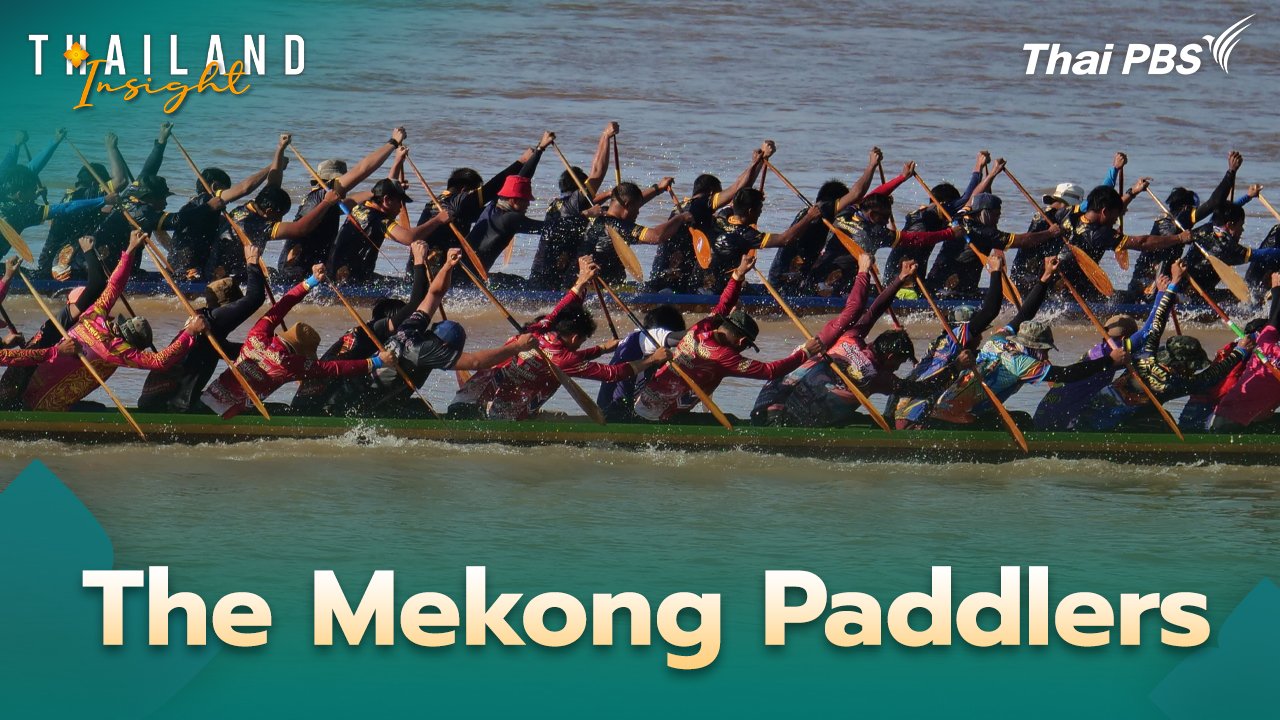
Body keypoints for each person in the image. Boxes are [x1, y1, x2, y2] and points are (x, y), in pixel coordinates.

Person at [323, 249, 537, 417]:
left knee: (417, 407)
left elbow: (434, 294)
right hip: (351, 406)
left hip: (345, 392)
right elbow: (475, 362)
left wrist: (448, 265)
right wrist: (517, 347)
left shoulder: (410, 328)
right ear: (445, 346)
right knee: (421, 411)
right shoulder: (427, 350)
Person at [449, 256, 668, 420]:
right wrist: (653, 359)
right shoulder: (564, 359)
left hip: (463, 401)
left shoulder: (539, 329)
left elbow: (563, 309)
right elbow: (614, 374)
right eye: (582, 341)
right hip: (496, 418)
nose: (581, 345)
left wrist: (582, 281)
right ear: (574, 338)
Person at [926, 257, 1129, 428]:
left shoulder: (999, 338)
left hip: (942, 406)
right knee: (1023, 422)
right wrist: (1109, 361)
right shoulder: (1021, 363)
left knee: (1017, 418)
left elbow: (1024, 313)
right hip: (955, 418)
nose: (1046, 357)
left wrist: (1046, 277)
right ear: (1035, 348)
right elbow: (1067, 374)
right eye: (1044, 352)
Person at [754, 259, 954, 427]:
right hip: (788, 423)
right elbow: (922, 389)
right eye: (898, 363)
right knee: (870, 423)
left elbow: (874, 311)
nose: (896, 369)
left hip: (766, 400)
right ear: (890, 357)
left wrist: (898, 279)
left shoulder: (850, 337)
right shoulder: (879, 377)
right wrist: (957, 366)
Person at [23, 230, 208, 411]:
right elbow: (160, 361)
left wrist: (130, 249)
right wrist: (190, 332)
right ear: (130, 343)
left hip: (28, 390)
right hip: (48, 408)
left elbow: (115, 285)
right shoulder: (115, 349)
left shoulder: (92, 315)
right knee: (100, 411)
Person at [632, 254, 822, 422]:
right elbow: (770, 371)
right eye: (746, 346)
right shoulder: (724, 357)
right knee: (731, 420)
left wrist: (738, 275)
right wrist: (805, 352)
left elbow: (723, 305)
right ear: (741, 342)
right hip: (661, 416)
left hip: (642, 401)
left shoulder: (702, 327)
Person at [199, 262, 395, 419]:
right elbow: (335, 368)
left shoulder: (256, 335)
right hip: (229, 414)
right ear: (301, 352)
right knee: (287, 412)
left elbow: (282, 306)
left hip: (206, 398)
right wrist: (377, 362)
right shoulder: (292, 365)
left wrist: (310, 281)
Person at [292, 240, 433, 413]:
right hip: (323, 405)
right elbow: (415, 305)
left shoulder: (361, 331)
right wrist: (418, 261)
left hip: (304, 401)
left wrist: (425, 268)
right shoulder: (378, 329)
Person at [137, 243, 268, 412]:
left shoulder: (203, 324)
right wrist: (252, 262)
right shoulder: (214, 320)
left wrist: (268, 349)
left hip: (151, 401)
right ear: (231, 306)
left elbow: (233, 351)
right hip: (174, 405)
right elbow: (255, 298)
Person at [278, 127, 409, 283]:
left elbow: (360, 199)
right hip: (298, 273)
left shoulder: (318, 201)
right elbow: (362, 169)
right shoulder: (323, 196)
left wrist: (391, 182)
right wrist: (393, 143)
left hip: (292, 269)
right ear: (330, 182)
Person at [892, 253, 1008, 429]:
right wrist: (995, 271)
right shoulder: (957, 337)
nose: (981, 337)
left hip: (900, 414)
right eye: (978, 332)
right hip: (917, 421)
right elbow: (991, 310)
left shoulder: (939, 343)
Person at [810, 161, 961, 295]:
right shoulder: (874, 233)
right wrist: (948, 233)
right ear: (872, 214)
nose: (887, 221)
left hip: (815, 276)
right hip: (835, 286)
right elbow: (915, 238)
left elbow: (874, 196)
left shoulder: (846, 212)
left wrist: (902, 178)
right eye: (884, 217)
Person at [1127, 151, 1256, 299]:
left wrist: (1247, 198)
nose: (1196, 211)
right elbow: (1214, 203)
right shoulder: (1183, 217)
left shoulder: (1164, 220)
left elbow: (1217, 218)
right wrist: (1231, 172)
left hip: (1137, 284)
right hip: (1154, 288)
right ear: (1186, 206)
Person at [0, 237, 111, 408]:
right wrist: (56, 351)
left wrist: (7, 277)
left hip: (15, 383)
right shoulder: (58, 325)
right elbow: (97, 285)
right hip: (9, 397)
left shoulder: (56, 327)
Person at [647, 142, 771, 293]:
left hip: (660, 273)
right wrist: (756, 162)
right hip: (677, 279)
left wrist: (758, 165)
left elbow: (740, 199)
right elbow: (737, 189)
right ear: (713, 193)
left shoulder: (684, 206)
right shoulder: (703, 202)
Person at [166, 134, 287, 280]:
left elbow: (271, 189)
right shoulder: (208, 199)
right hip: (191, 271)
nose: (227, 198)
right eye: (226, 189)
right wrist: (272, 165)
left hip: (176, 266)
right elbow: (244, 188)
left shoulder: (191, 206)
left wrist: (279, 156)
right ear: (215, 187)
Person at [767, 147, 882, 294]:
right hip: (787, 284)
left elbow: (861, 200)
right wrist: (872, 165)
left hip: (778, 279)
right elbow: (857, 194)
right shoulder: (824, 209)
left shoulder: (811, 212)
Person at [1050, 183, 1188, 301]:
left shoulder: (1070, 213)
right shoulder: (1099, 234)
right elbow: (1142, 243)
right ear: (1104, 212)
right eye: (1115, 215)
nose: (1116, 220)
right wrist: (1179, 238)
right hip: (1074, 292)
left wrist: (1133, 192)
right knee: (1135, 298)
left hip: (1052, 281)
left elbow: (1113, 208)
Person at [327, 160, 454, 284]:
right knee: (409, 285)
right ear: (387, 200)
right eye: (399, 201)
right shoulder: (379, 221)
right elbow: (409, 238)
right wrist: (438, 220)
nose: (400, 207)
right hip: (351, 280)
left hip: (335, 273)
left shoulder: (361, 206)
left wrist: (399, 159)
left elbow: (386, 185)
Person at [527, 122, 617, 289]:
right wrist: (605, 136)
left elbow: (571, 215)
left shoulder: (556, 204)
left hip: (540, 275)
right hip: (553, 281)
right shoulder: (575, 203)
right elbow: (597, 173)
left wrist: (608, 195)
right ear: (580, 189)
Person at [926, 187, 1061, 296]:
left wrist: (992, 174)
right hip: (950, 291)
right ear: (985, 213)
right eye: (996, 215)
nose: (998, 219)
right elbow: (1023, 241)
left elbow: (975, 194)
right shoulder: (984, 233)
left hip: (934, 283)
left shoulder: (960, 216)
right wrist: (1050, 233)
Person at [461, 131, 557, 277]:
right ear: (513, 201)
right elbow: (548, 228)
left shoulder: (493, 206)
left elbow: (521, 178)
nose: (528, 205)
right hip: (469, 280)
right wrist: (583, 215)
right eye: (526, 201)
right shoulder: (510, 219)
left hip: (459, 271)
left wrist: (540, 148)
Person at [893, 149, 988, 282]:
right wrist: (979, 166)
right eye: (954, 205)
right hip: (907, 279)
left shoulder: (919, 213)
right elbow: (968, 197)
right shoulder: (937, 210)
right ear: (943, 203)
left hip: (893, 275)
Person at [705, 187, 824, 290]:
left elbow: (741, 197)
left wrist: (756, 163)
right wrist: (809, 216)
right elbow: (785, 240)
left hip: (707, 277)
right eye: (760, 208)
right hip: (722, 286)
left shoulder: (724, 214)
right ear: (750, 211)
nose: (761, 212)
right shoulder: (747, 235)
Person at [577, 180, 686, 285]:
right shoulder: (620, 227)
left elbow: (631, 203)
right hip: (606, 288)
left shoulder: (598, 213)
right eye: (637, 208)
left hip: (580, 280)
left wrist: (658, 188)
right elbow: (657, 236)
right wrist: (680, 217)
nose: (638, 212)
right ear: (627, 205)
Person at [1209, 272, 1280, 432]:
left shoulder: (1264, 345)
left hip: (1237, 419)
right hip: (1228, 424)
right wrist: (1277, 290)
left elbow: (1275, 317)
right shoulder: (1266, 345)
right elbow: (1275, 317)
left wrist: (1276, 288)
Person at [597, 304, 686, 420]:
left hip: (609, 407)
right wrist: (710, 331)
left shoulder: (635, 339)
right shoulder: (649, 336)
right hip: (615, 412)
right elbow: (685, 337)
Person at [1180, 202, 1280, 302]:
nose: (1242, 230)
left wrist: (1248, 197)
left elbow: (1221, 211)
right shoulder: (1227, 248)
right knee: (1246, 299)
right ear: (1230, 225)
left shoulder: (1207, 228)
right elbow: (1262, 255)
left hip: (1181, 286)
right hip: (1194, 296)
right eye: (1241, 225)